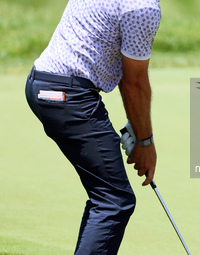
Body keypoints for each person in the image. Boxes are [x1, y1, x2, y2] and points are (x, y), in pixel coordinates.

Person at [25, 0, 161, 254]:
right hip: (67, 96)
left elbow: (126, 68)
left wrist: (137, 127)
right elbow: (134, 82)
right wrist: (145, 143)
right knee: (114, 200)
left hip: (41, 82)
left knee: (105, 194)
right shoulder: (143, 8)